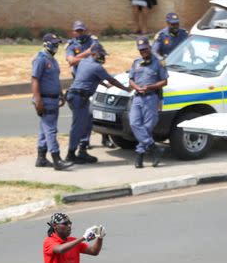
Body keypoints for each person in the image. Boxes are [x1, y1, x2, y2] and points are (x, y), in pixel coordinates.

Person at [65, 44, 131, 165]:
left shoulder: (84, 62)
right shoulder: (97, 67)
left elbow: (91, 77)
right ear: (93, 54)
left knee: (89, 118)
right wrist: (126, 89)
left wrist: (104, 85)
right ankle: (70, 155)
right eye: (101, 55)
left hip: (78, 96)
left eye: (103, 56)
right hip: (78, 97)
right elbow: (112, 80)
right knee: (78, 125)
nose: (103, 58)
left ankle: (83, 150)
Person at [32, 33, 73, 171]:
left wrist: (60, 95)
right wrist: (38, 100)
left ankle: (41, 158)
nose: (56, 45)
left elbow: (54, 80)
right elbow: (35, 79)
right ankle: (57, 160)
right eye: (54, 43)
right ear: (46, 43)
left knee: (45, 129)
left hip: (53, 98)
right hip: (45, 99)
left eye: (57, 43)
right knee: (51, 129)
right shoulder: (41, 59)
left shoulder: (53, 60)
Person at [129, 36, 168, 168]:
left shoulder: (159, 62)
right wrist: (136, 87)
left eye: (145, 49)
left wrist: (150, 87)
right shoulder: (136, 62)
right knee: (134, 123)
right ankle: (154, 147)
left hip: (151, 97)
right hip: (137, 97)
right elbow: (131, 80)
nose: (143, 52)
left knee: (147, 127)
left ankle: (139, 156)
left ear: (149, 48)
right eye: (140, 50)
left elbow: (165, 81)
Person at [65, 21, 102, 157]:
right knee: (81, 117)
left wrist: (79, 58)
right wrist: (87, 53)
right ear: (73, 32)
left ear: (86, 30)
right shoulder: (71, 45)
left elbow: (99, 56)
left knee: (92, 113)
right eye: (77, 31)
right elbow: (71, 61)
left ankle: (85, 145)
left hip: (92, 81)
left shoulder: (93, 41)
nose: (79, 33)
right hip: (78, 83)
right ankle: (79, 147)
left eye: (82, 30)